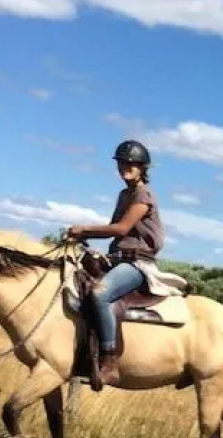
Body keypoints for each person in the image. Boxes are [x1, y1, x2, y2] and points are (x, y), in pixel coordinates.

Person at [65, 139, 166, 387]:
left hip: (138, 263)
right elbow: (114, 231)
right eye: (122, 162)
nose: (125, 167)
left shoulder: (143, 195)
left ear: (142, 167)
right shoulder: (125, 194)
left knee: (100, 294)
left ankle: (110, 361)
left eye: (131, 163)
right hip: (119, 258)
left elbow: (121, 229)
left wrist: (84, 230)